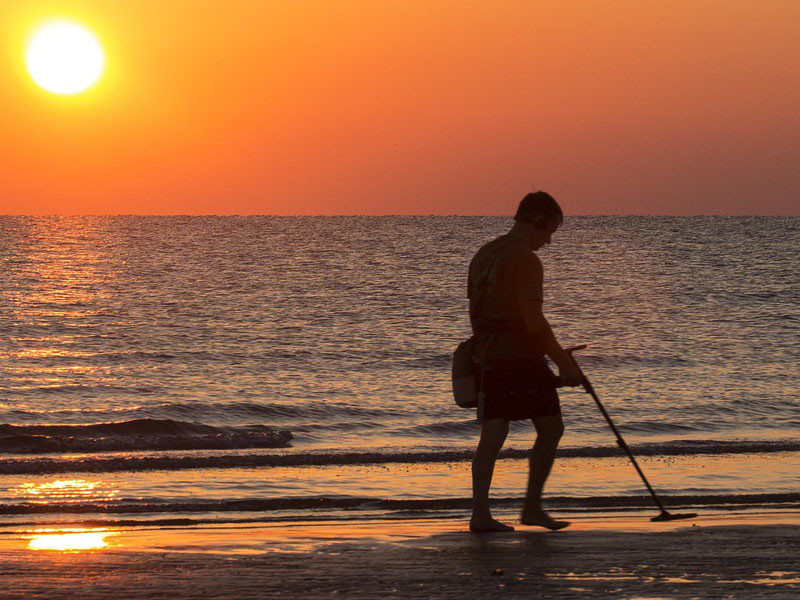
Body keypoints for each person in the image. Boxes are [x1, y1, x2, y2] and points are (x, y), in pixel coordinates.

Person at [467, 191, 583, 533]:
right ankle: (531, 508)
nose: (547, 242)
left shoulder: (484, 254)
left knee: (493, 433)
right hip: (519, 355)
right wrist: (563, 362)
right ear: (539, 223)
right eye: (549, 233)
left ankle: (480, 515)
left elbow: (476, 311)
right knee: (551, 428)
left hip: (487, 353)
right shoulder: (526, 260)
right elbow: (534, 321)